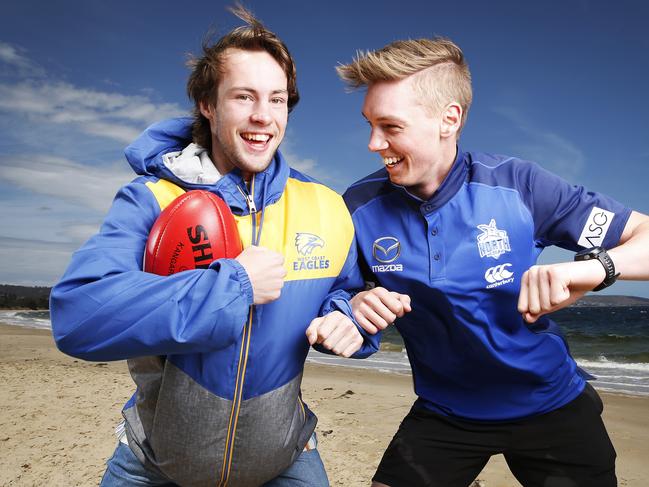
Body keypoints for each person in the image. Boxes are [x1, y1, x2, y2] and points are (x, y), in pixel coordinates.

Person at [49, 6, 378, 487]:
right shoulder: (152, 198)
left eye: (278, 99)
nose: (263, 116)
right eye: (244, 97)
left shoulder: (327, 208)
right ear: (207, 103)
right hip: (154, 464)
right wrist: (235, 284)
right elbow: (78, 317)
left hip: (285, 461)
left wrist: (349, 318)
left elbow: (344, 294)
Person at [337, 37, 649, 487]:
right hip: (446, 413)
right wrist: (357, 307)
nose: (373, 143)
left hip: (551, 405)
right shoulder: (359, 206)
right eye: (369, 123)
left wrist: (588, 268)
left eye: (390, 126)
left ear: (450, 119)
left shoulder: (518, 186)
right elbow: (341, 298)